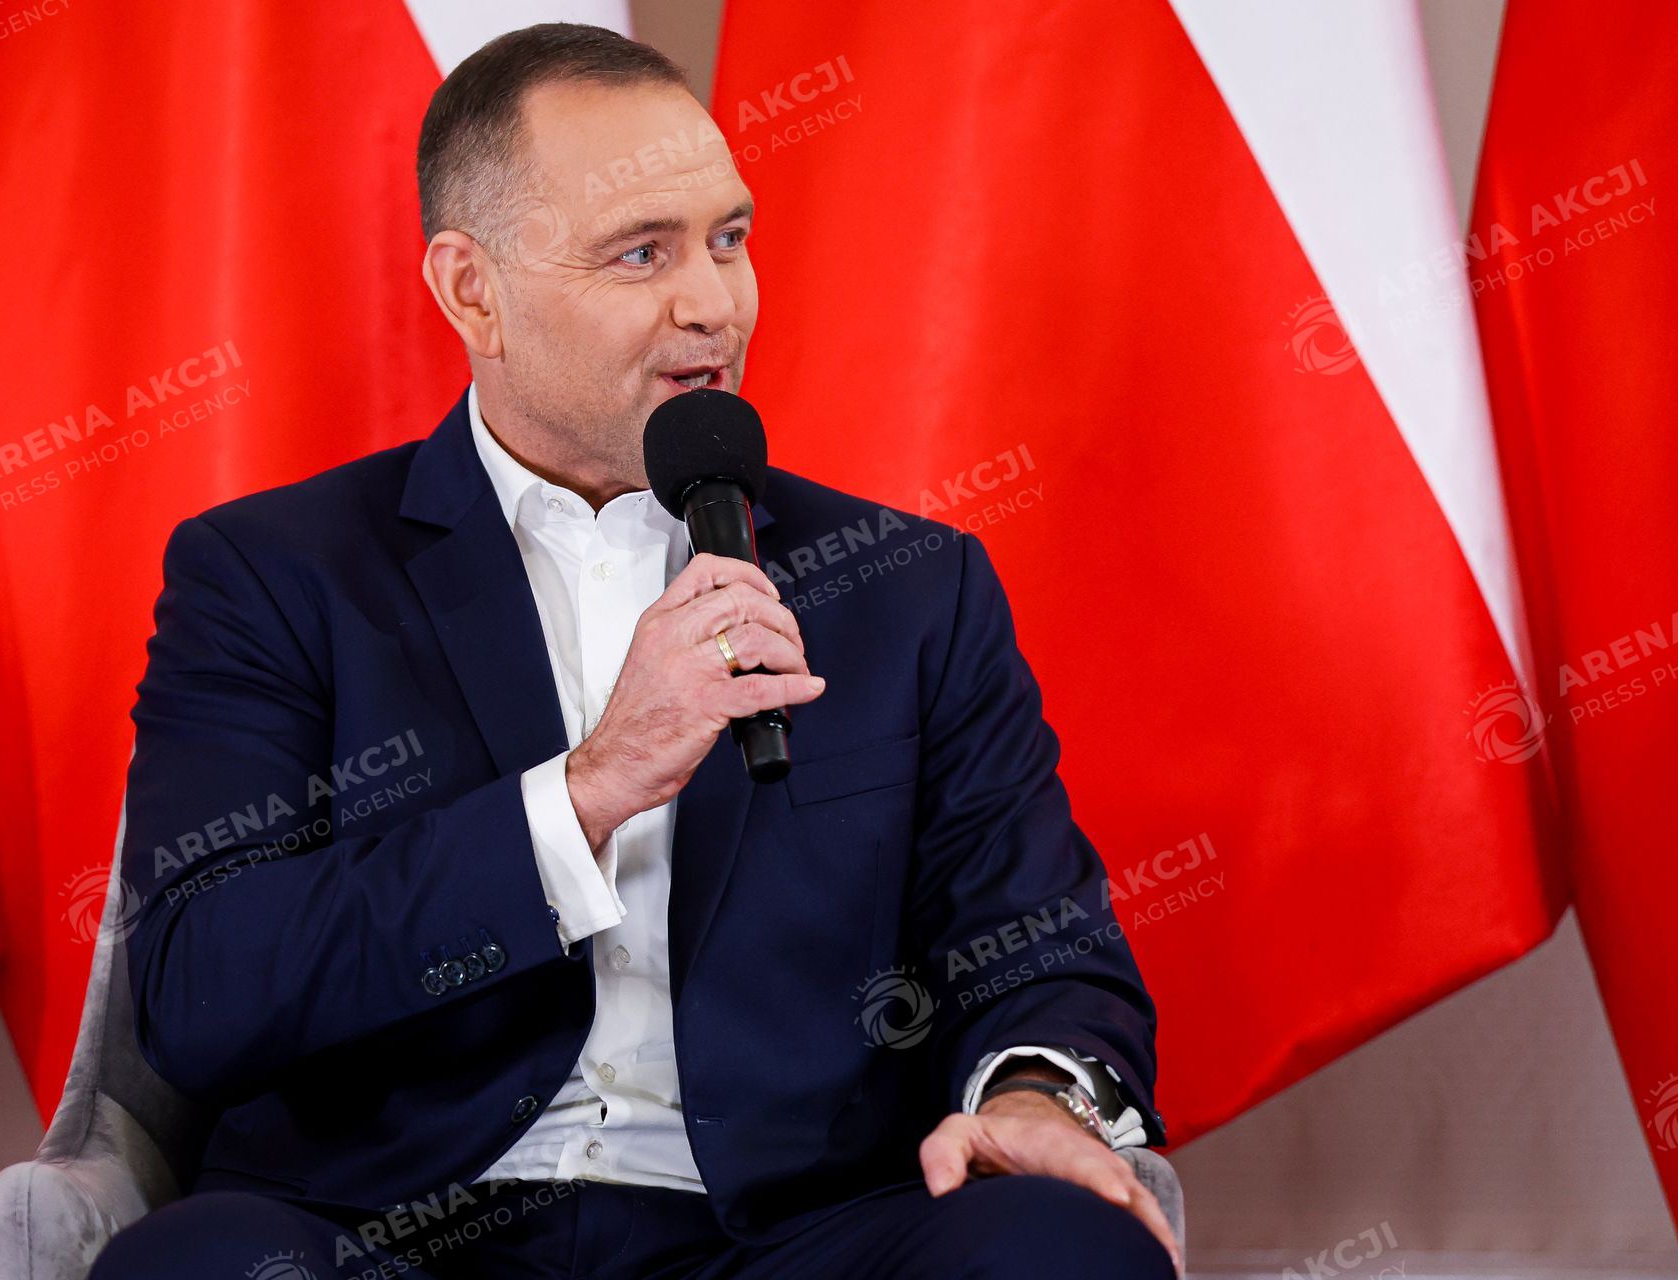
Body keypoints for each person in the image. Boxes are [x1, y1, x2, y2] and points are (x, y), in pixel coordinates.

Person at [94, 22, 1175, 1280]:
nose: (713, 302)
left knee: (1065, 1250)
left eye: (729, 238)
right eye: (642, 252)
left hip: (790, 1239)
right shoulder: (271, 572)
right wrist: (588, 790)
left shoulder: (909, 585)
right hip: (392, 1232)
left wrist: (1037, 1092)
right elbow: (205, 989)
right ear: (472, 291)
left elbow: (1041, 945)